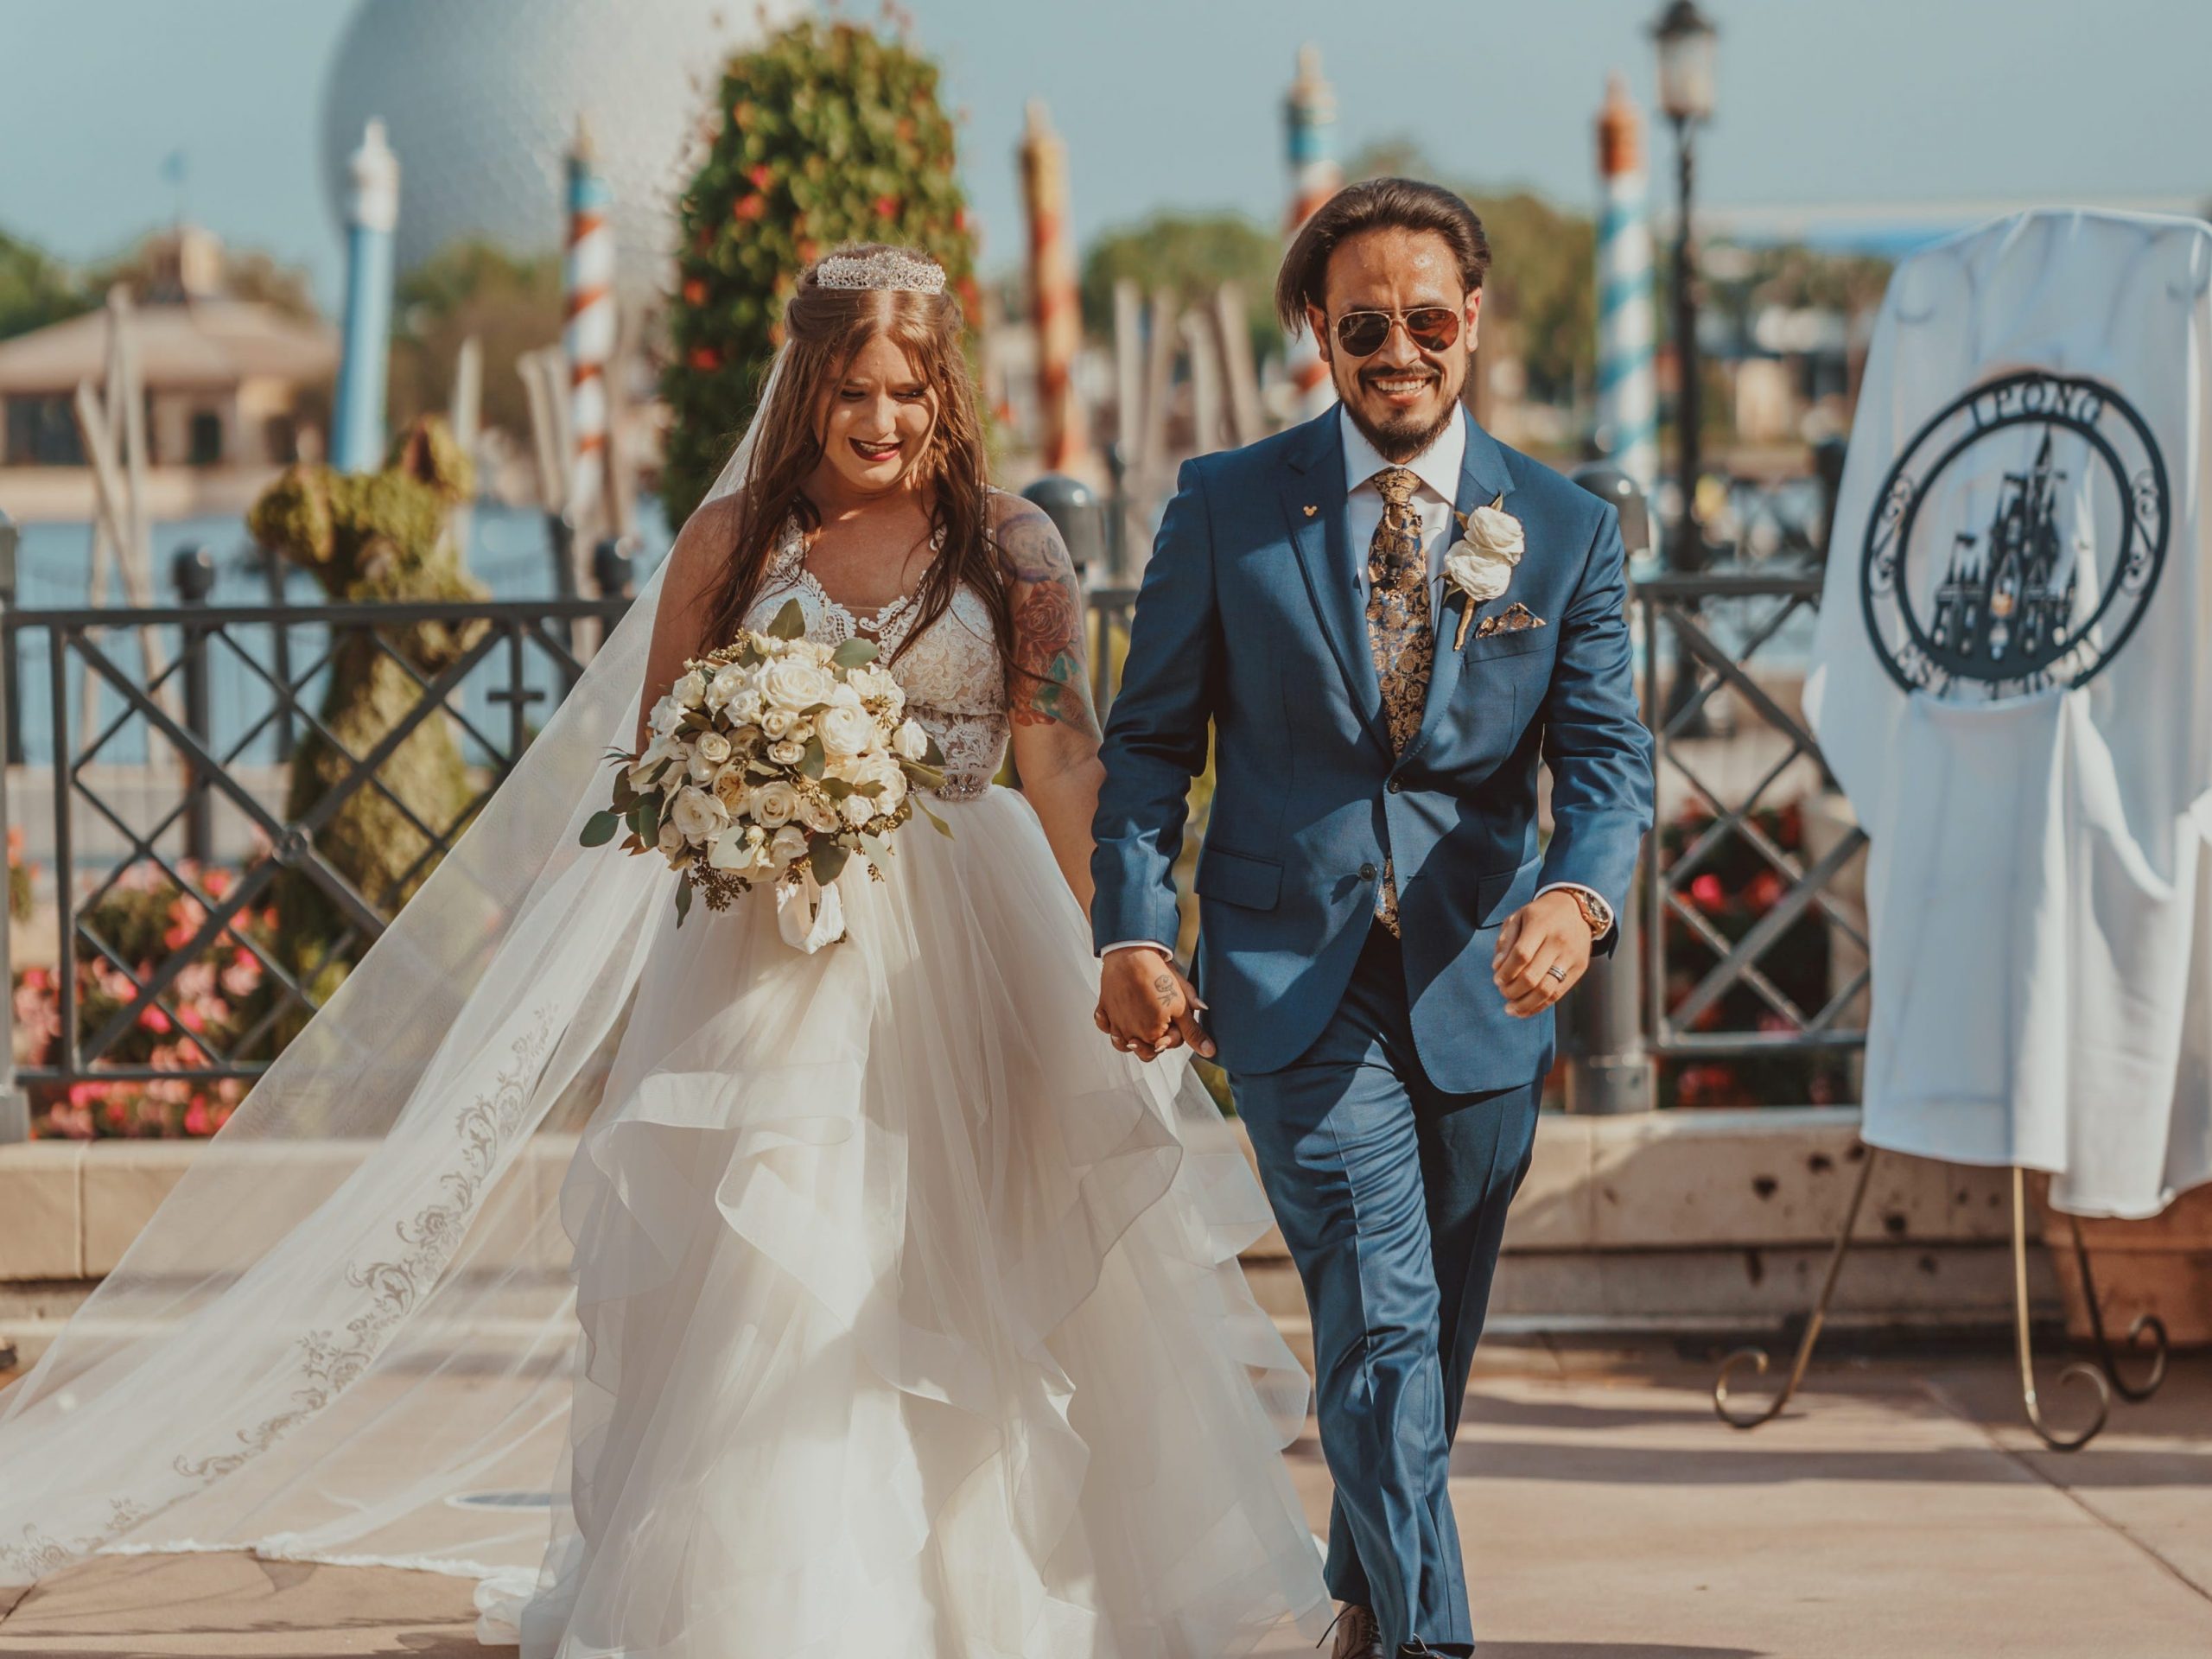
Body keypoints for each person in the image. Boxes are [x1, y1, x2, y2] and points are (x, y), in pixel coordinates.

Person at [0, 245, 1330, 1657]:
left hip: (976, 943)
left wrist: (1122, 941)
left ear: (947, 394)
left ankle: (1007, 1592)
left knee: (989, 1266)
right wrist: (745, 804)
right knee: (788, 1260)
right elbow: (653, 769)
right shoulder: (733, 550)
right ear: (807, 389)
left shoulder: (1012, 548)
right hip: (771, 957)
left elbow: (1062, 761)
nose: (884, 422)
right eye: (855, 394)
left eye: (911, 394)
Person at [1092, 181, 1656, 1659]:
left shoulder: (1569, 529)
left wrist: (1580, 901)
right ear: (1317, 337)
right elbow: (1150, 743)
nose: (1395, 349)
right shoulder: (1224, 505)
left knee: (1422, 1334)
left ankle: (1366, 1587)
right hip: (1289, 980)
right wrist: (1134, 931)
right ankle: (1431, 1637)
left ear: (1472, 320)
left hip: (1489, 982)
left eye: (1423, 319)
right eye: (1361, 324)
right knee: (1385, 1310)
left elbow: (1608, 767)